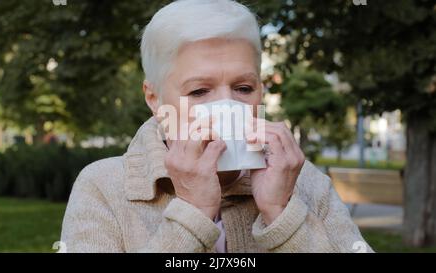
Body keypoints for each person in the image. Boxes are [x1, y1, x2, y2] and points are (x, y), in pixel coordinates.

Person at [60, 0, 373, 253]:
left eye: (244, 88)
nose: (228, 107)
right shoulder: (103, 186)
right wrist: (191, 216)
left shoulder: (305, 182)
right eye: (199, 91)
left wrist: (281, 212)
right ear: (154, 99)